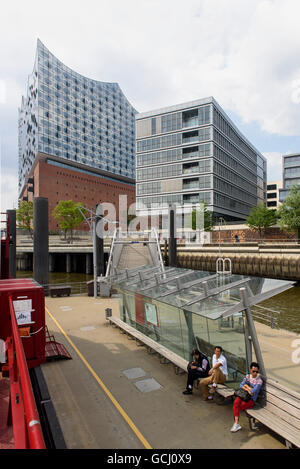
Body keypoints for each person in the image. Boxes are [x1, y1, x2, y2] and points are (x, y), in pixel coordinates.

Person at [230, 362, 263, 432]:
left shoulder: (259, 381)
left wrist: (246, 386)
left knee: (238, 406)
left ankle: (236, 424)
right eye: (254, 371)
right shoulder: (247, 376)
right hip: (243, 395)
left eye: (257, 372)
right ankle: (236, 423)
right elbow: (241, 385)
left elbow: (253, 392)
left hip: (251, 400)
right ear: (250, 370)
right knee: (236, 402)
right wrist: (248, 388)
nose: (255, 373)